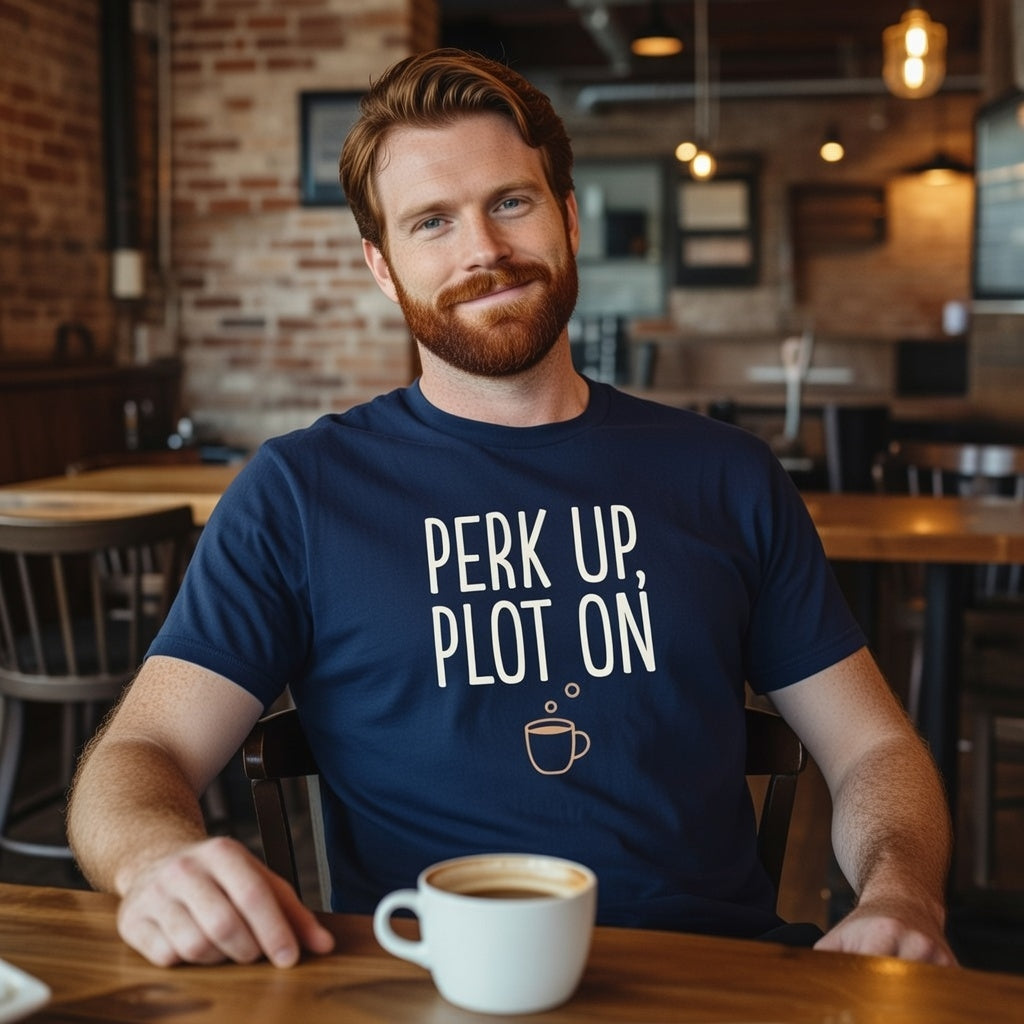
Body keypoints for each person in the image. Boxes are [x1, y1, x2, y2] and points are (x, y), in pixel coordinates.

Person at [68, 47, 956, 970]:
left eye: (510, 202)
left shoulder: (725, 474)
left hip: (710, 973)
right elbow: (141, 752)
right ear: (382, 265)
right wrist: (156, 859)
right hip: (433, 978)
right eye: (431, 222)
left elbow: (873, 748)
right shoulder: (299, 493)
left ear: (568, 218)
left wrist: (901, 894)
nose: (482, 251)